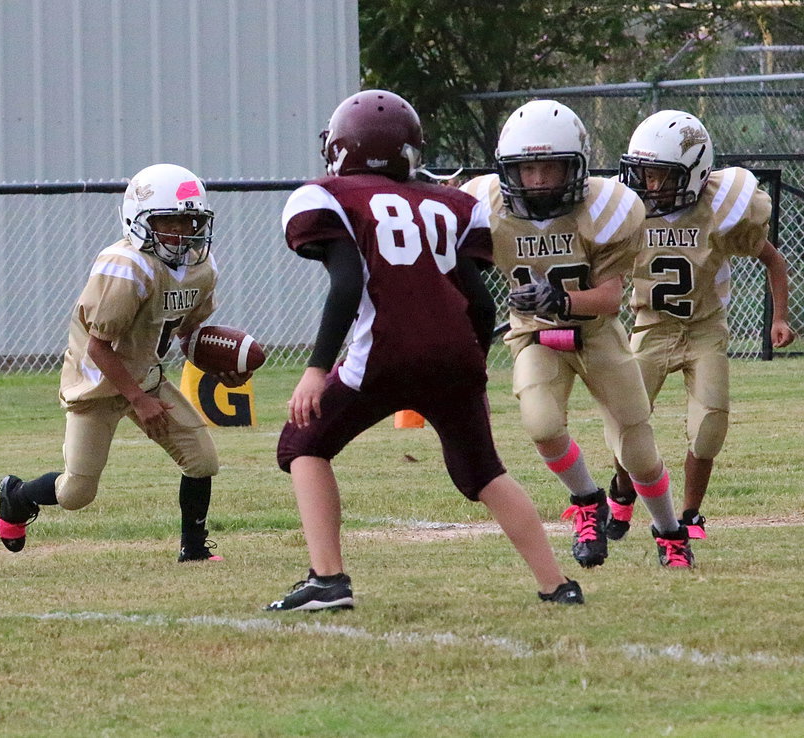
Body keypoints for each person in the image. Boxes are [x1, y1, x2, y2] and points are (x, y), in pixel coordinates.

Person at [265, 90, 582, 612]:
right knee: (483, 472)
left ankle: (327, 579)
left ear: (341, 148)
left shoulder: (330, 196)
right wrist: (473, 367)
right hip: (456, 354)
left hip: (384, 351)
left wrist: (317, 368)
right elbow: (480, 302)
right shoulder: (451, 203)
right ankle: (556, 585)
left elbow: (346, 286)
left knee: (302, 444)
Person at [461, 99, 694, 568]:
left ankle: (670, 531)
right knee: (542, 426)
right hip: (533, 334)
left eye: (551, 166)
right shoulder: (485, 204)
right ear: (510, 170)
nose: (540, 179)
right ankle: (588, 502)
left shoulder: (606, 207)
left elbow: (608, 298)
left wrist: (560, 300)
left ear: (577, 165)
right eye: (528, 169)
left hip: (597, 333)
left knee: (637, 450)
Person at [0, 163, 250, 562]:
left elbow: (186, 335)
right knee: (77, 493)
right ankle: (17, 496)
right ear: (139, 220)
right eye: (173, 222)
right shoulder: (127, 266)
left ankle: (194, 549)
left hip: (145, 376)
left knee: (202, 460)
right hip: (96, 384)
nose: (184, 232)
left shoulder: (201, 269)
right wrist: (139, 400)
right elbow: (99, 348)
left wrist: (221, 368)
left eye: (191, 221)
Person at [605, 110, 796, 544]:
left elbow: (774, 260)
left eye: (659, 175)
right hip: (651, 325)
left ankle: (690, 515)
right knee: (627, 420)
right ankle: (620, 491)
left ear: (693, 174)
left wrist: (780, 316)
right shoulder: (631, 211)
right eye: (643, 173)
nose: (648, 184)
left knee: (710, 425)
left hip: (705, 329)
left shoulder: (720, 209)